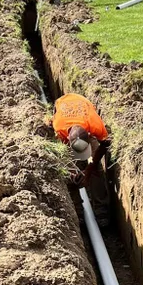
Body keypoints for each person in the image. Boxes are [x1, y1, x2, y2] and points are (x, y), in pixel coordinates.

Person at [51, 93, 111, 226]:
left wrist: (89, 169)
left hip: (82, 107)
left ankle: (101, 210)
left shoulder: (95, 125)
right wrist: (71, 172)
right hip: (63, 104)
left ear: (89, 135)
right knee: (67, 174)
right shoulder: (59, 128)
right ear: (68, 140)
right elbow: (60, 155)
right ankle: (77, 212)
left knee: (96, 170)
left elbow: (105, 144)